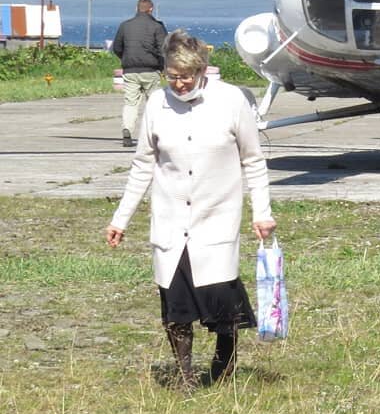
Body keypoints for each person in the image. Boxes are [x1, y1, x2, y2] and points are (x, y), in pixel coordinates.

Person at [105, 29, 276, 391]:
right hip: (170, 223)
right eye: (172, 76)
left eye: (186, 76)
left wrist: (262, 212)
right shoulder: (156, 104)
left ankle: (224, 363)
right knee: (176, 306)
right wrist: (120, 219)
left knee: (222, 306)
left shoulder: (231, 101)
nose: (180, 84)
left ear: (202, 70)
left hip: (216, 221)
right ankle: (184, 376)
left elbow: (254, 162)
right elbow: (142, 166)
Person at [112, 0, 167, 147]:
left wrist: (126, 58)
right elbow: (164, 50)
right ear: (151, 9)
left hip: (130, 70)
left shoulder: (125, 26)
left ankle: (127, 131)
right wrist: (164, 67)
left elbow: (117, 47)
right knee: (154, 103)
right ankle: (154, 135)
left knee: (130, 103)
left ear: (136, 8)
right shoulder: (157, 27)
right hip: (151, 70)